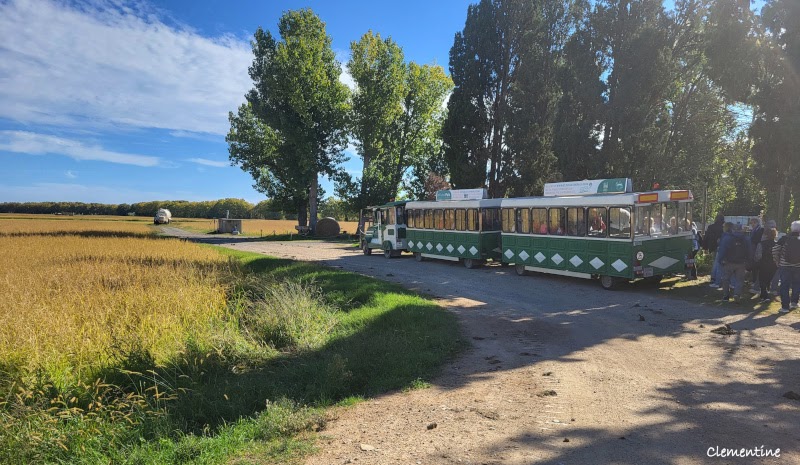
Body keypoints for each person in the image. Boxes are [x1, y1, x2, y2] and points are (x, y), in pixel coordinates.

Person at [717, 222, 751, 302]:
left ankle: (726, 296)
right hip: (741, 263)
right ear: (741, 229)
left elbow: (722, 250)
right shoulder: (746, 239)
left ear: (733, 229)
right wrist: (748, 261)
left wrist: (720, 260)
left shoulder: (727, 238)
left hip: (728, 262)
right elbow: (749, 251)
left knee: (726, 279)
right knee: (739, 280)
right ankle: (737, 294)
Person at [773, 220, 800, 313]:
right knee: (797, 284)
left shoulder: (784, 239)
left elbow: (775, 250)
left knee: (785, 285)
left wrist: (777, 261)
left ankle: (785, 307)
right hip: (798, 267)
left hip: (784, 266)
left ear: (791, 228)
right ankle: (794, 302)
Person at [754, 227, 778, 302]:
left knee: (762, 280)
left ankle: (765, 296)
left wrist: (756, 261)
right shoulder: (777, 244)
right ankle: (763, 295)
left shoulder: (761, 244)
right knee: (768, 280)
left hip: (763, 264)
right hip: (774, 265)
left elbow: (758, 256)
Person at [704, 214, 725, 287]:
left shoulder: (710, 227)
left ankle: (713, 277)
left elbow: (706, 238)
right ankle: (717, 277)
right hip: (721, 247)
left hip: (712, 247)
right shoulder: (723, 228)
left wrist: (705, 248)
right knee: (719, 263)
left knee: (715, 262)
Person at [749, 217, 764, 294]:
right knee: (753, 265)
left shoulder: (760, 229)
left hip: (756, 248)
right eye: (751, 223)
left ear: (756, 223)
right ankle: (754, 280)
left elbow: (757, 239)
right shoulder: (755, 230)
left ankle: (755, 281)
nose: (751, 225)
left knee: (755, 265)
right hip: (753, 248)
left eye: (752, 223)